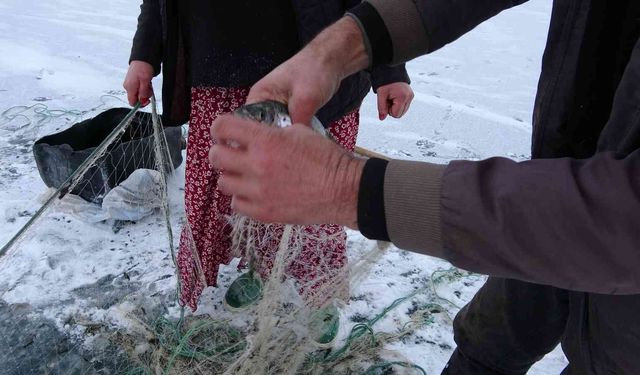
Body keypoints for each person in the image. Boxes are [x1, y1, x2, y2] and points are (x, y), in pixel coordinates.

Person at [208, 0, 640, 373]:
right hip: (537, 214)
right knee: (492, 337)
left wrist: (351, 188)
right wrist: (345, 44)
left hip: (624, 342)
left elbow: (625, 221)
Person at [123, 0, 414, 314]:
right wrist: (144, 53)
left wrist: (389, 67)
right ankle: (260, 268)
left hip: (315, 69)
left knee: (316, 196)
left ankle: (320, 291)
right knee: (234, 189)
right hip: (217, 63)